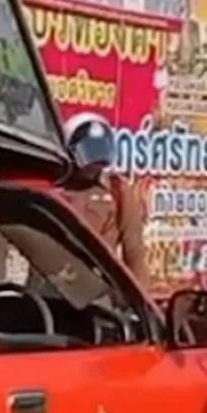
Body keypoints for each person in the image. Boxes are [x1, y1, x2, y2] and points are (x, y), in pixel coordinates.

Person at [63, 114, 151, 285]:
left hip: (99, 286)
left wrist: (140, 296)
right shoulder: (56, 189)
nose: (95, 163)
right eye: (89, 151)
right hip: (55, 282)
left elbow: (134, 251)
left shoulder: (117, 190)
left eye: (100, 151)